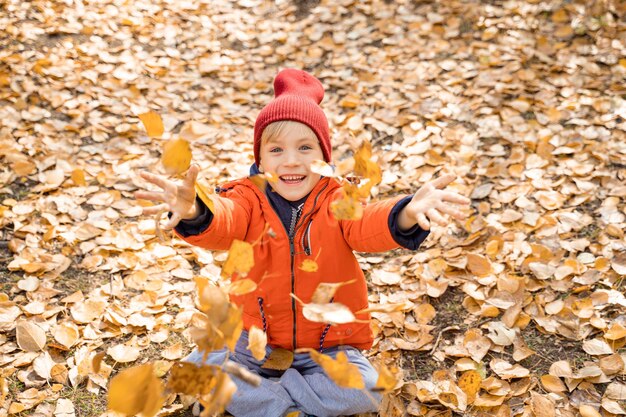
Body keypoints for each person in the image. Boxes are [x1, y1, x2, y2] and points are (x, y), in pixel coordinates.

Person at [135, 69, 470, 417]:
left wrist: (405, 213)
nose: (291, 160)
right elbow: (224, 219)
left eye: (305, 148)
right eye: (277, 149)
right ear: (260, 160)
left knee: (367, 392)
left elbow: (368, 223)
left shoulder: (339, 199)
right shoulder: (248, 200)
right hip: (255, 343)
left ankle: (275, 396)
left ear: (324, 159)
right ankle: (287, 404)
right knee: (196, 376)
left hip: (327, 347)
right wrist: (195, 212)